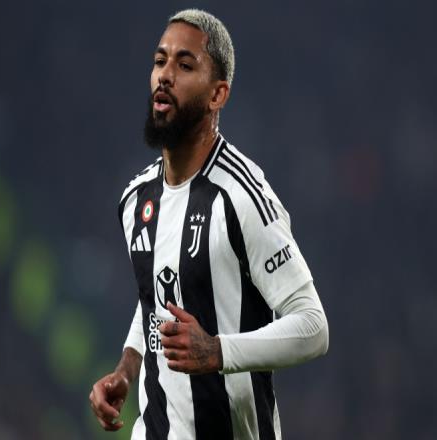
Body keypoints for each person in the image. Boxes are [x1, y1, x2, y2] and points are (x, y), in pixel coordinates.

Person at [90, 8, 329, 440]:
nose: (165, 75)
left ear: (218, 94)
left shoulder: (241, 196)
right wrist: (128, 366)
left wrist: (217, 351)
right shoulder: (136, 199)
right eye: (160, 61)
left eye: (185, 65)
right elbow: (158, 293)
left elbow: (313, 326)